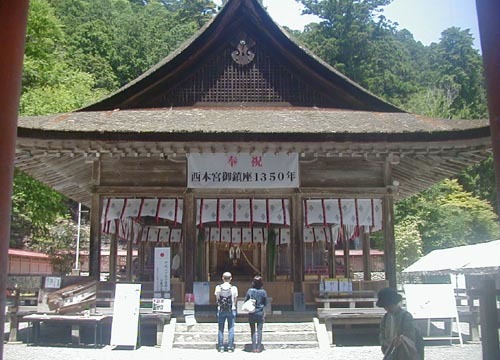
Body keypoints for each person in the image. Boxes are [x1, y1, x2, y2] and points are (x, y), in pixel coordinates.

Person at [377, 287, 424, 360]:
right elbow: (382, 335)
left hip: (404, 353)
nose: (387, 308)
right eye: (385, 306)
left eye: (389, 306)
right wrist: (386, 343)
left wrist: (400, 339)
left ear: (394, 303)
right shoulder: (385, 318)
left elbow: (410, 336)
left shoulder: (406, 316)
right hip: (390, 351)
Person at [214, 271, 238, 352]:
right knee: (231, 328)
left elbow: (217, 299)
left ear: (222, 278)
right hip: (231, 309)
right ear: (231, 278)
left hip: (221, 309)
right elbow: (235, 300)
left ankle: (221, 347)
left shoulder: (218, 287)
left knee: (220, 328)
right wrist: (233, 306)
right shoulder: (234, 288)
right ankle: (230, 347)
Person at [244, 275, 267, 353]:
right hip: (260, 312)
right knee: (259, 330)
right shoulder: (263, 292)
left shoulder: (250, 291)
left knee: (253, 330)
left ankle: (253, 347)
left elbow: (246, 300)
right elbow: (265, 303)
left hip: (252, 312)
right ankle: (259, 347)